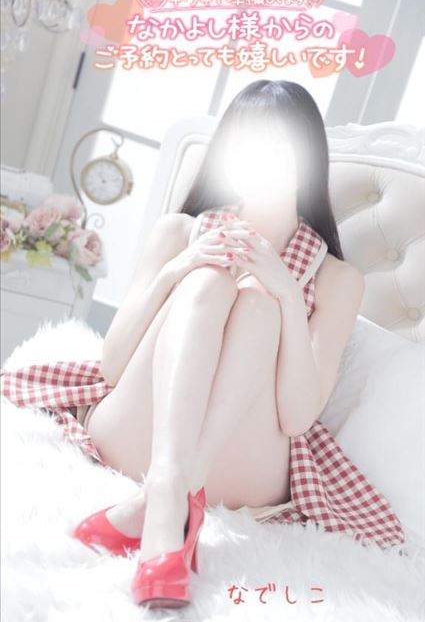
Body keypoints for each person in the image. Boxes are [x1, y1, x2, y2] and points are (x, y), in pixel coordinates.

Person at [0, 79, 406, 609]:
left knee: (259, 303)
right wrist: (178, 271)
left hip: (243, 468)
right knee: (208, 283)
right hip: (138, 433)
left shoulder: (336, 278)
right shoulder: (178, 232)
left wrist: (286, 293)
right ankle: (171, 492)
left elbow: (297, 417)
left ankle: (160, 499)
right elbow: (114, 366)